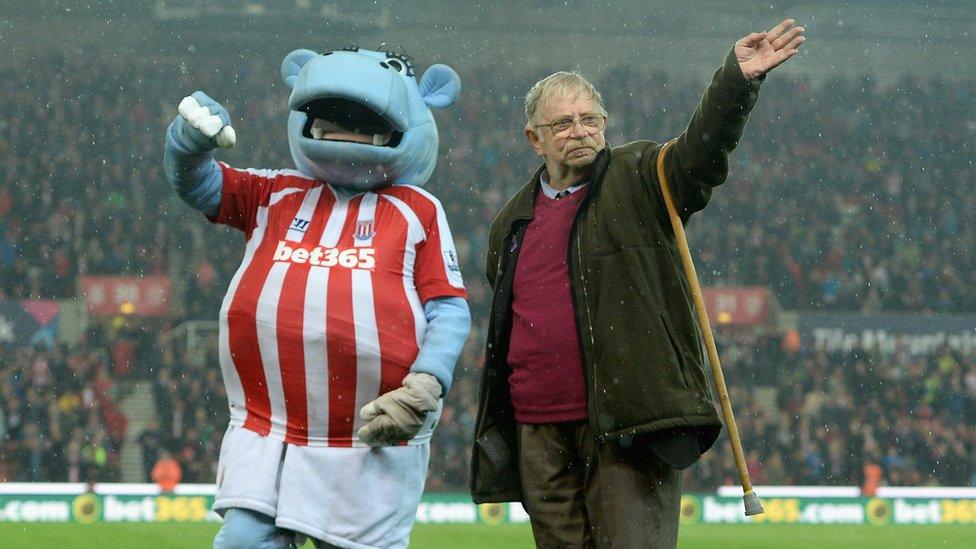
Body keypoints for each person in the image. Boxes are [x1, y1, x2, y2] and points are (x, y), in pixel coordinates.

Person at [471, 19, 806, 547]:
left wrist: (734, 84)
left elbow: (700, 154)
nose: (579, 131)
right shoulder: (511, 222)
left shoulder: (640, 175)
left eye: (589, 119)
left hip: (626, 423)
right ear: (534, 138)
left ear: (605, 123)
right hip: (538, 432)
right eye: (562, 124)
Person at [163, 47, 470, 548]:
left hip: (367, 439)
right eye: (331, 118)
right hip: (268, 430)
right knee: (243, 541)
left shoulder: (419, 210)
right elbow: (200, 185)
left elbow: (449, 308)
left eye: (361, 121)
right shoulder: (276, 192)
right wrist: (188, 143)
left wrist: (428, 381)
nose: (345, 129)